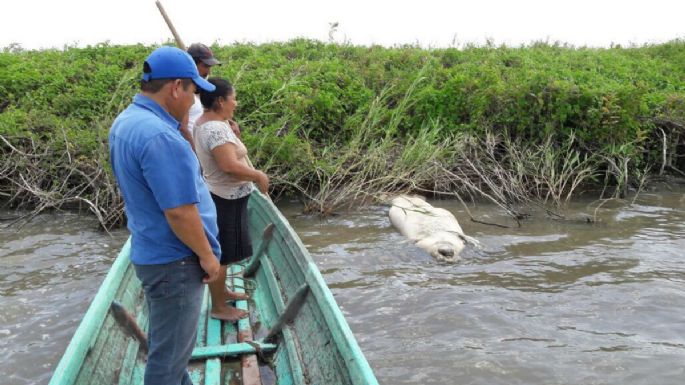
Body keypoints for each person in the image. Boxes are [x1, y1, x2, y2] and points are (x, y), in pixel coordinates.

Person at [109, 46, 221, 385]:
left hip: (154, 253)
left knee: (170, 354)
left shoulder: (128, 122)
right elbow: (179, 213)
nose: (193, 101)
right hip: (177, 263)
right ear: (175, 87)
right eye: (193, 90)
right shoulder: (159, 136)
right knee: (166, 364)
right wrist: (208, 258)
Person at [193, 77, 270, 321]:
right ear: (219, 100)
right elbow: (228, 165)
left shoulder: (209, 122)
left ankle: (222, 292)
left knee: (224, 250)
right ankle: (219, 307)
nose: (235, 103)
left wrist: (233, 132)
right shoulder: (215, 128)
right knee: (223, 253)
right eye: (232, 98)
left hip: (222, 194)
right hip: (224, 197)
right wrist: (257, 175)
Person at [179, 43, 221, 148]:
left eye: (210, 66)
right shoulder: (183, 91)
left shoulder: (198, 87)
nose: (208, 71)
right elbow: (183, 129)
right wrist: (197, 155)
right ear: (192, 64)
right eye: (205, 66)